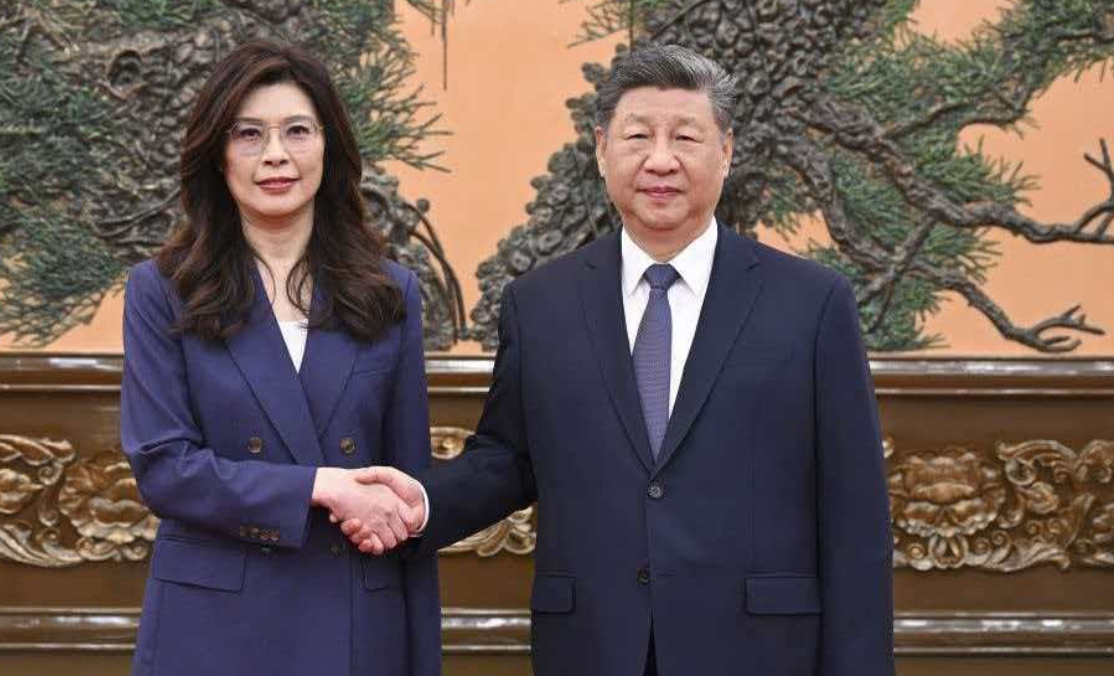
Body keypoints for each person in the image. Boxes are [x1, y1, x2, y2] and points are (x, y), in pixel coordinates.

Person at [344, 45, 894, 676]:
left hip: (759, 650)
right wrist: (421, 502)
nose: (661, 159)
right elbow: (507, 459)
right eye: (638, 136)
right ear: (603, 149)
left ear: (726, 152)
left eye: (686, 137)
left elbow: (855, 515)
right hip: (594, 645)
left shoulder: (812, 303)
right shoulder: (540, 303)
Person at [119, 40, 439, 676]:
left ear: (329, 147)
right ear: (217, 154)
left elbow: (406, 491)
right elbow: (164, 467)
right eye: (249, 134)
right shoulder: (163, 290)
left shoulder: (389, 292)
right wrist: (321, 485)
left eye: (297, 130)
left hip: (355, 623)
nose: (275, 154)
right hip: (213, 631)